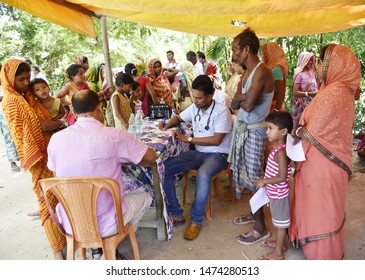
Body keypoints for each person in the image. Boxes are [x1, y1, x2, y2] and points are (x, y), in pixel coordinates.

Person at [47, 89, 157, 259]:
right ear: (99, 108)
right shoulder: (114, 135)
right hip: (106, 222)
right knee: (146, 195)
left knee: (108, 192)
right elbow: (150, 156)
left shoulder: (55, 139)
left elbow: (57, 176)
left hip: (70, 221)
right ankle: (114, 243)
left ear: (74, 112)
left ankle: (96, 249)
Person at [289, 44, 361, 260]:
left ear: (333, 64)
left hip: (320, 162)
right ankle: (328, 249)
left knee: (319, 205)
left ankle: (321, 253)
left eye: (320, 62)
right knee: (329, 206)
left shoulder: (333, 92)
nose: (318, 66)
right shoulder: (341, 90)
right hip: (333, 161)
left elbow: (313, 129)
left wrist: (299, 131)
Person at [1, 58, 67, 259]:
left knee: (58, 198)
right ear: (9, 79)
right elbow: (38, 126)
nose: (25, 83)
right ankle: (57, 251)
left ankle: (65, 241)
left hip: (50, 152)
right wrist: (59, 123)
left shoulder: (27, 95)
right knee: (46, 201)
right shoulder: (12, 101)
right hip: (37, 159)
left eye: (27, 78)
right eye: (21, 79)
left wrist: (54, 121)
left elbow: (47, 115)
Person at [160, 75, 233, 240]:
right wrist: (167, 124)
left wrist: (189, 139)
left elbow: (217, 140)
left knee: (203, 174)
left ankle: (196, 220)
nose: (196, 101)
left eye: (199, 98)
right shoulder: (195, 107)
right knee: (164, 168)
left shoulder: (222, 112)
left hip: (217, 154)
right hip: (198, 153)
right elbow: (179, 117)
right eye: (194, 97)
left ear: (210, 95)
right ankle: (176, 213)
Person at [229, 28, 274, 245]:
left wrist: (243, 98)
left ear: (247, 50)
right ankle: (254, 212)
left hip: (255, 131)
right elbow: (234, 100)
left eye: (236, 49)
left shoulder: (262, 71)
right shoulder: (248, 72)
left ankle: (261, 228)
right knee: (246, 176)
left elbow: (244, 103)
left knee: (255, 179)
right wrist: (243, 97)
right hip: (246, 128)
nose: (233, 54)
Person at [256, 111, 293, 260]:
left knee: (280, 224)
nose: (267, 132)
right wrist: (265, 177)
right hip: (275, 193)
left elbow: (283, 177)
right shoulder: (277, 148)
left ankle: (279, 252)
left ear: (283, 131)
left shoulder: (281, 152)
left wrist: (264, 181)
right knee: (278, 221)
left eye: (270, 128)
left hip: (279, 195)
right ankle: (280, 244)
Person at [0, 63, 20, 172]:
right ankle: (12, 161)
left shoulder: (7, 81)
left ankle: (21, 157)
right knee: (8, 136)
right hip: (2, 113)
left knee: (16, 133)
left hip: (10, 111)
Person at [291, 51, 318, 131]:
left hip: (312, 103)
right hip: (302, 105)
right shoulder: (299, 74)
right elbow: (295, 92)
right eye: (308, 60)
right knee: (300, 127)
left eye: (311, 60)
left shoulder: (312, 73)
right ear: (303, 60)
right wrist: (310, 94)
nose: (311, 62)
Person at [261, 42, 288, 112]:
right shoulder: (271, 68)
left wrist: (276, 110)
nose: (263, 57)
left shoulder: (276, 69)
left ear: (270, 54)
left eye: (264, 54)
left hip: (275, 105)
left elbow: (280, 92)